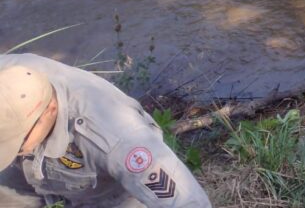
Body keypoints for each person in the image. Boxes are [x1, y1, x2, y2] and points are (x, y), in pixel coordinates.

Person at [0, 53, 212, 208]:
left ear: (50, 111)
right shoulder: (6, 75)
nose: (12, 149)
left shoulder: (118, 136)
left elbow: (187, 202)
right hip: (25, 176)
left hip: (109, 195)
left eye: (16, 141)